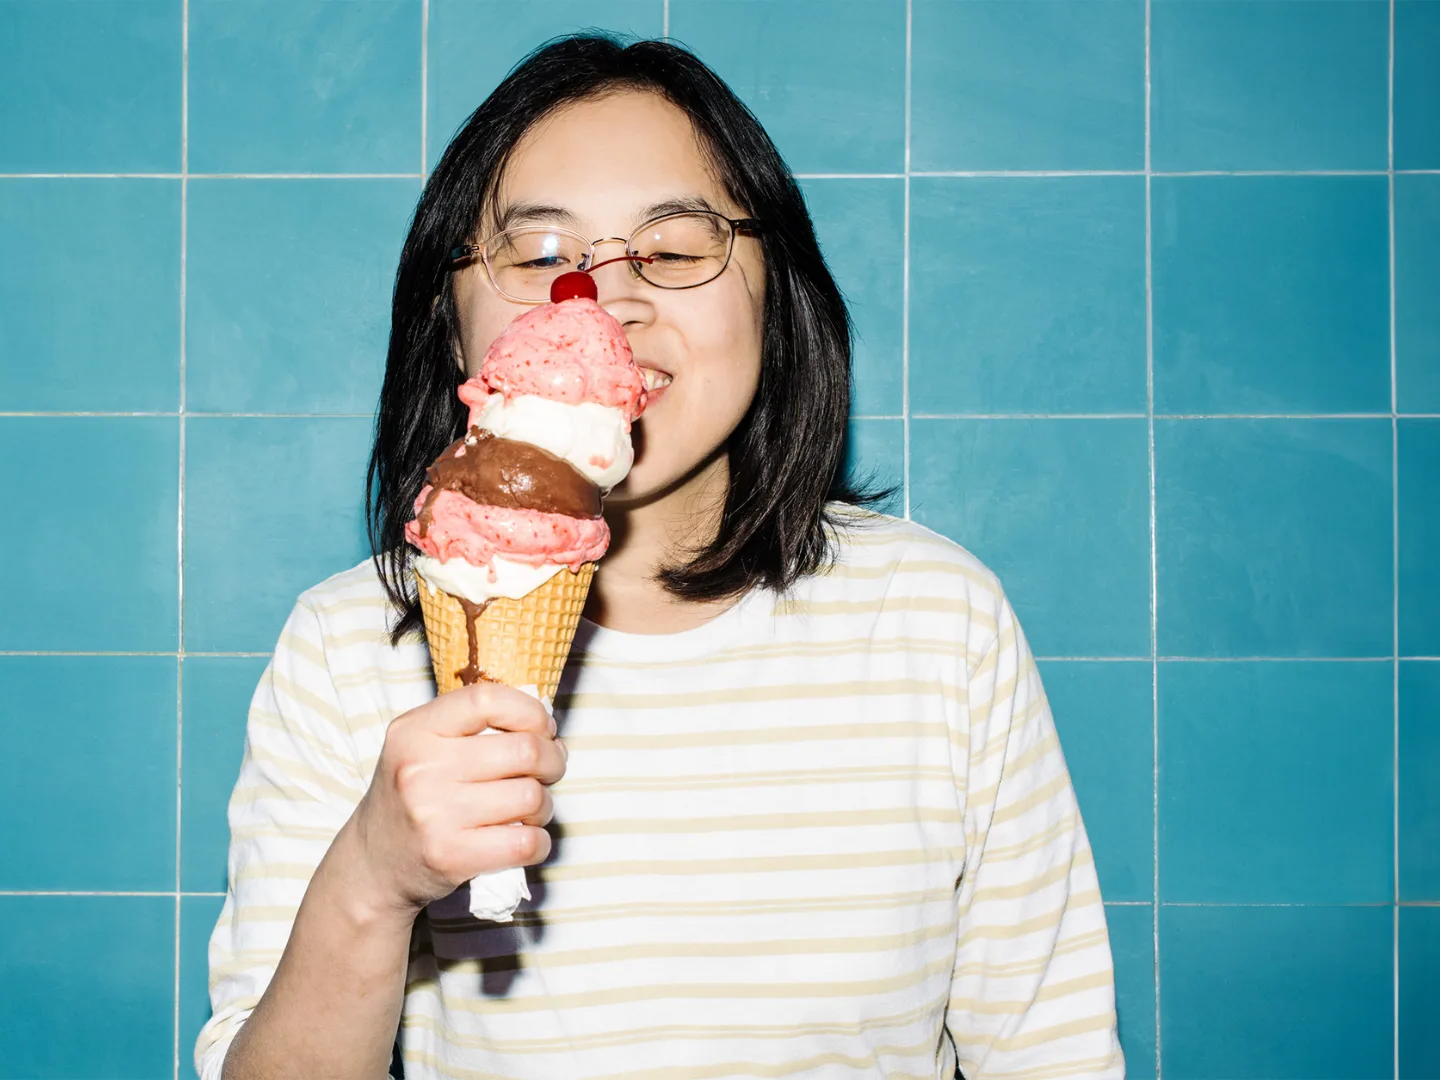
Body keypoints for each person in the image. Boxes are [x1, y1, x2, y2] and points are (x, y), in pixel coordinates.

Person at [194, 34, 1124, 1080]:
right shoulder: (348, 647)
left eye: (676, 250)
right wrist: (371, 876)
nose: (603, 297)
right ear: (452, 327)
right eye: (542, 254)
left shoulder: (940, 621)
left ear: (777, 300)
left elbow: (1053, 1052)